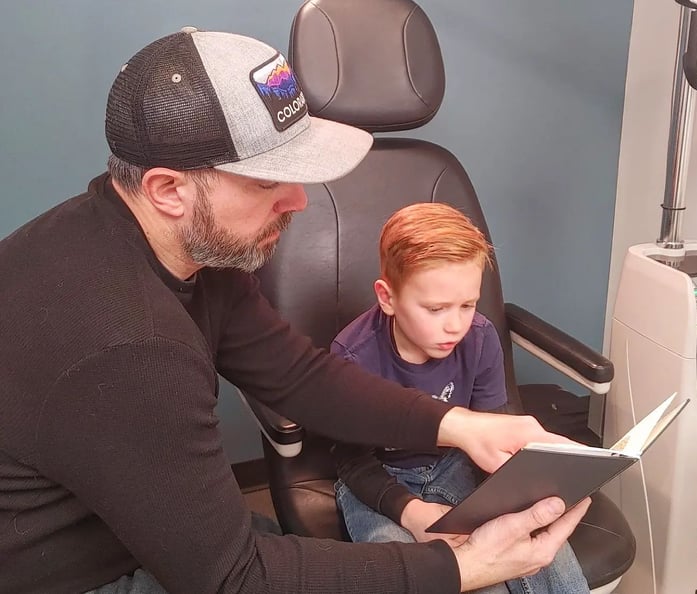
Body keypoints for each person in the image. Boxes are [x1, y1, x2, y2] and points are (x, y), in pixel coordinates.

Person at [0, 28, 589, 594]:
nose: (300, 200)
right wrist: (461, 565)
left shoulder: (183, 255)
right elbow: (235, 580)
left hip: (131, 525)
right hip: (74, 574)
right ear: (169, 189)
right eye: (267, 182)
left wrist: (461, 424)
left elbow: (302, 378)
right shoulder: (128, 345)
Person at [331, 203, 590, 594]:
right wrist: (411, 512)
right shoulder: (353, 356)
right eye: (435, 309)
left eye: (467, 305)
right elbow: (352, 462)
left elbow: (491, 427)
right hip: (380, 478)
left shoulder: (481, 338)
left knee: (538, 544)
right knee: (409, 574)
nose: (455, 325)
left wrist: (523, 494)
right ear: (388, 297)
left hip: (457, 462)